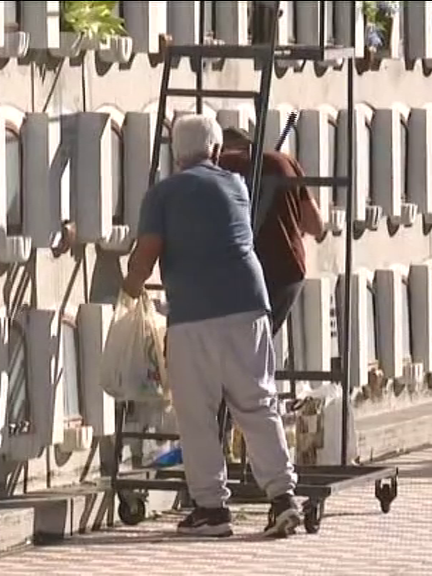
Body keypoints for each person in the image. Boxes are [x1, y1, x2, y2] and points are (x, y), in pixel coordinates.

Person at [121, 114, 301, 538]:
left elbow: (146, 256)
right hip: (249, 308)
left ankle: (211, 509)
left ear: (173, 154)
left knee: (196, 414)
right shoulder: (236, 187)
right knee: (257, 405)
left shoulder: (162, 194)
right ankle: (282, 499)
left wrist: (129, 286)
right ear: (217, 152)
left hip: (194, 315)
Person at [218, 127, 326, 335]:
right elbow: (316, 225)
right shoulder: (284, 162)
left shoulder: (220, 166)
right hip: (288, 269)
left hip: (242, 272)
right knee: (259, 345)